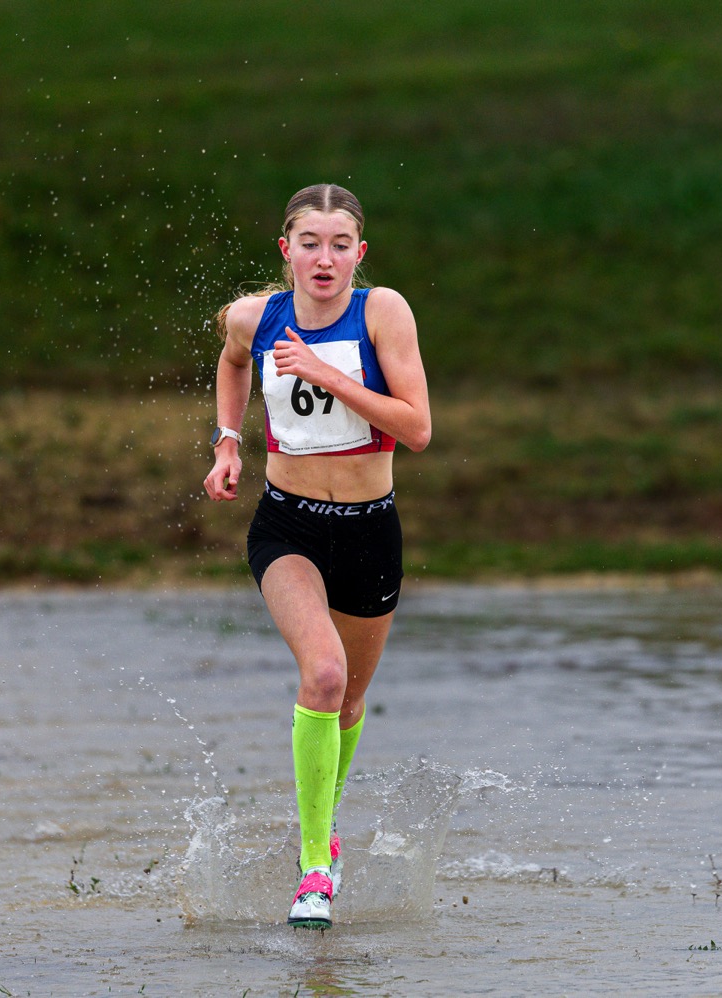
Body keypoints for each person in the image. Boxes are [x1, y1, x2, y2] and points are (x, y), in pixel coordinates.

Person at [202, 183, 432, 929]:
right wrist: (227, 441)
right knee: (324, 675)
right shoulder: (255, 317)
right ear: (287, 251)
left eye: (339, 246)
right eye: (310, 244)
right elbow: (232, 360)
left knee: (350, 701)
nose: (324, 259)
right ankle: (313, 870)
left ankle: (324, 828)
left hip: (370, 529)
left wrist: (326, 373)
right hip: (287, 527)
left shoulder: (382, 312)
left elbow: (417, 429)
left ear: (359, 254)